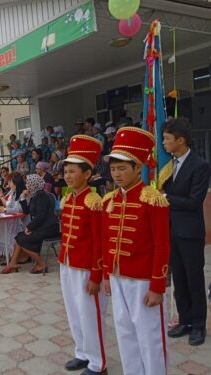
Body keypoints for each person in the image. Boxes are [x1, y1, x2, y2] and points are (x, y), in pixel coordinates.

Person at [102, 127, 170, 375]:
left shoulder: (152, 199)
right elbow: (108, 241)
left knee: (150, 335)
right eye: (113, 169)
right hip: (118, 277)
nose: (116, 174)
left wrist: (157, 286)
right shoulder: (109, 200)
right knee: (125, 332)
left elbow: (162, 244)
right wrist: (107, 275)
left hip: (144, 279)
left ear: (137, 167)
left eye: (122, 168)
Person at [59, 136, 107, 375]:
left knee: (91, 315)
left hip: (87, 266)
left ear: (87, 174)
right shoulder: (68, 198)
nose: (68, 176)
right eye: (66, 171)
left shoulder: (94, 201)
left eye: (73, 171)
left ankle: (98, 364)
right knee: (74, 311)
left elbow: (100, 242)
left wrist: (97, 275)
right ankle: (82, 352)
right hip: (68, 263)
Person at [161, 118, 210, 346]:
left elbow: (193, 201)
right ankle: (185, 320)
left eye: (167, 139)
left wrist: (166, 198)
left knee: (194, 279)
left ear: (181, 141)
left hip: (190, 232)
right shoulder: (169, 165)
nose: (163, 143)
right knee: (178, 279)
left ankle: (199, 325)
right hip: (172, 230)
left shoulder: (200, 165)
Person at [2, 174, 59, 274]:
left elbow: (41, 216)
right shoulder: (34, 195)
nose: (26, 185)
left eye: (28, 183)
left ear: (34, 184)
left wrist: (29, 227)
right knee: (19, 236)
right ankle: (13, 263)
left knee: (20, 238)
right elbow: (27, 211)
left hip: (49, 228)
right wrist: (23, 198)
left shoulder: (41, 196)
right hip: (42, 227)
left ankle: (41, 264)